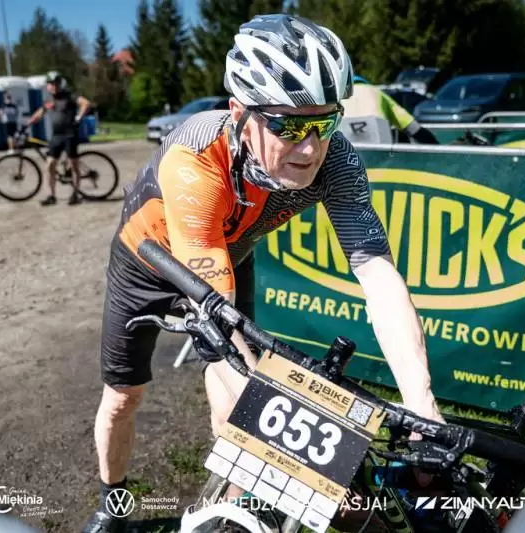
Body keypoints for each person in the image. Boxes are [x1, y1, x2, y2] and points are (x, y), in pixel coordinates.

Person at [83, 14, 445, 533]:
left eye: (325, 124)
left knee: (231, 403)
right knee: (125, 397)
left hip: (228, 257)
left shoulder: (336, 162)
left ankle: (235, 508)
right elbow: (222, 330)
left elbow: (378, 276)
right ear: (240, 113)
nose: (309, 147)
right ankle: (112, 502)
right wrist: (287, 435)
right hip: (147, 264)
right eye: (288, 126)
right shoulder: (197, 157)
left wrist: (423, 411)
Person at [24, 71, 91, 206]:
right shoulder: (49, 100)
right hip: (56, 135)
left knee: (73, 164)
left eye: (55, 83)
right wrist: (28, 123)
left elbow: (86, 103)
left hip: (70, 134)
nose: (53, 86)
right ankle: (51, 196)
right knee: (50, 165)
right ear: (48, 86)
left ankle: (75, 194)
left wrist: (78, 117)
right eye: (51, 84)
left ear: (60, 84)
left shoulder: (70, 95)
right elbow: (40, 113)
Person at [341, 74, 438, 144]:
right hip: (379, 140)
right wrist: (436, 147)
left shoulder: (340, 97)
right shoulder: (377, 92)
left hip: (347, 139)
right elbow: (412, 127)